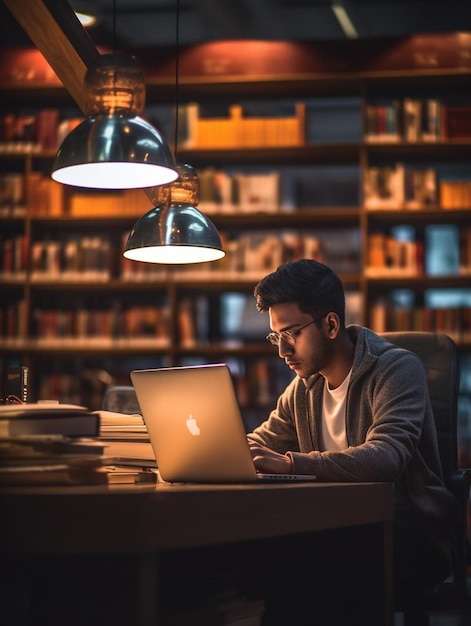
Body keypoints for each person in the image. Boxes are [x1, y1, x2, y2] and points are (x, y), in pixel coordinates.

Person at [247, 258, 459, 625]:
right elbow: (259, 442)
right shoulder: (303, 388)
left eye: (291, 333)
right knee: (263, 562)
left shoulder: (396, 368)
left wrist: (295, 463)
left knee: (312, 570)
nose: (282, 350)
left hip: (406, 533)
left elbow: (387, 456)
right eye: (275, 336)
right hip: (335, 527)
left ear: (330, 324)